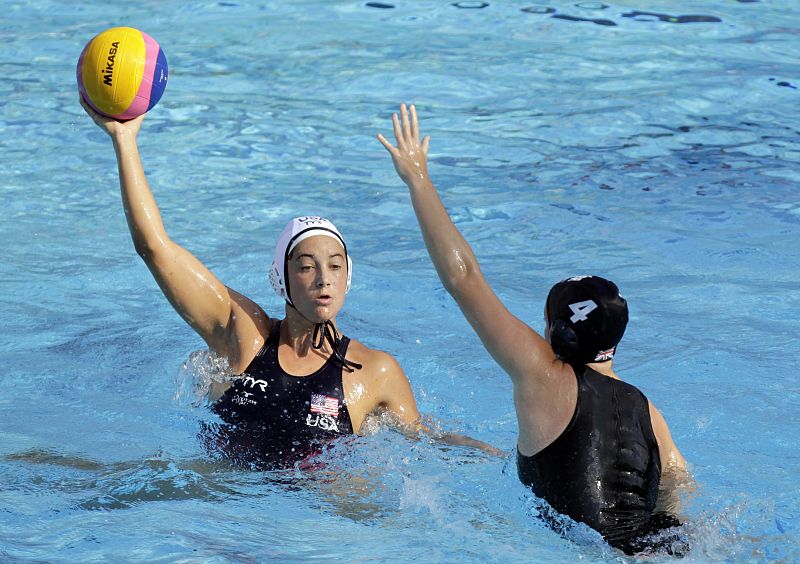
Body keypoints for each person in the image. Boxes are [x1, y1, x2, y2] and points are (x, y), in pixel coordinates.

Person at [79, 98, 492, 470]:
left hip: (317, 523)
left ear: (349, 276)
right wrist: (125, 139)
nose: (323, 279)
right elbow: (155, 248)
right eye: (306, 267)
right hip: (215, 506)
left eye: (334, 266)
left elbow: (426, 440)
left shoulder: (374, 372)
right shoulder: (243, 335)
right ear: (281, 277)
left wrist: (505, 457)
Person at [378, 104, 690, 554]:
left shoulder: (544, 376)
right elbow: (679, 490)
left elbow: (463, 277)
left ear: (552, 332)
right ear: (616, 337)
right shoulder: (649, 413)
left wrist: (418, 179)